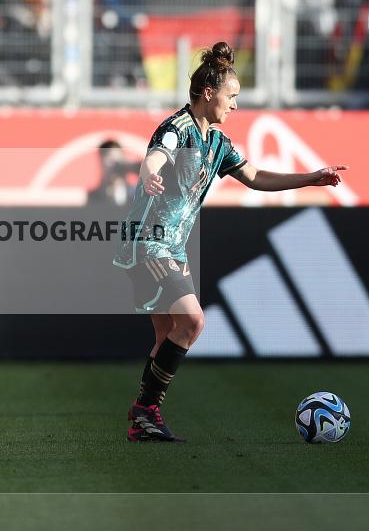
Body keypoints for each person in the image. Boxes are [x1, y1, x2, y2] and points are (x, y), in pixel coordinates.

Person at [114, 42, 348, 442]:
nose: (235, 106)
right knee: (193, 321)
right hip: (148, 242)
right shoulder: (178, 129)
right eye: (232, 96)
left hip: (171, 246)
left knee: (167, 335)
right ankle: (144, 411)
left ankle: (144, 419)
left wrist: (311, 178)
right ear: (209, 93)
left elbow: (256, 178)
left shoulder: (218, 143)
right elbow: (157, 155)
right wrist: (150, 174)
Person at [86, 140, 136, 208]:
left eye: (117, 159)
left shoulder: (136, 195)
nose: (115, 165)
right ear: (101, 162)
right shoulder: (93, 196)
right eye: (110, 158)